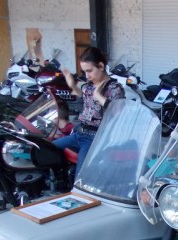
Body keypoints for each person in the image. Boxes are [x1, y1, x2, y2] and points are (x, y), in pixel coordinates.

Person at [53, 47, 125, 175]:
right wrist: (73, 86)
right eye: (84, 71)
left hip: (95, 138)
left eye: (89, 71)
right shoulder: (89, 86)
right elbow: (85, 100)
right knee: (46, 149)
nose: (87, 76)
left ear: (101, 66)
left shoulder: (115, 88)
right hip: (79, 133)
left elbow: (118, 114)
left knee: (80, 177)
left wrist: (99, 96)